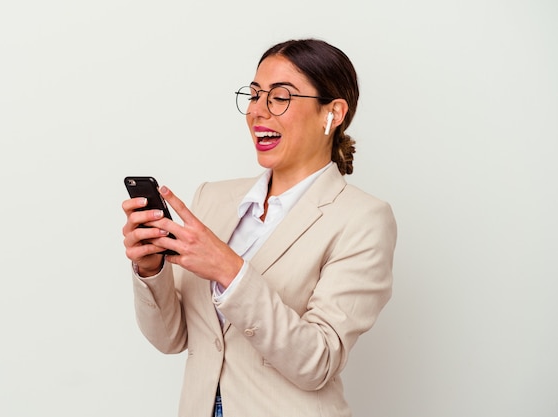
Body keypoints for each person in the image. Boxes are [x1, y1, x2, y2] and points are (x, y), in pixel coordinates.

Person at [121, 38, 396, 417]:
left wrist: (228, 269)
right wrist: (151, 269)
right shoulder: (212, 199)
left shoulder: (363, 219)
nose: (257, 112)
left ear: (332, 113)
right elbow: (172, 339)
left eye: (280, 97)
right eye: (253, 95)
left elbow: (318, 361)